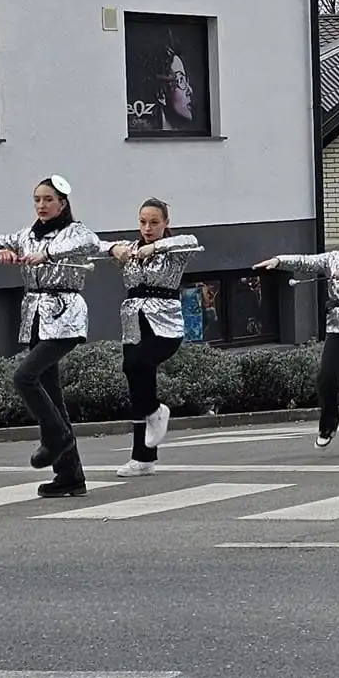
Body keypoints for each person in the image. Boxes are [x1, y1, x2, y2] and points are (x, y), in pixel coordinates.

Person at [0, 176, 100, 498]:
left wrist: (48, 255)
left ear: (63, 203)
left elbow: (90, 242)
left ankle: (56, 437)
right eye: (37, 200)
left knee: (24, 376)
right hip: (36, 318)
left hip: (66, 315)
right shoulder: (25, 235)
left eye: (48, 200)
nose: (41, 206)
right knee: (52, 395)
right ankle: (71, 476)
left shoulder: (75, 231)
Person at [259, 208, 339, 456]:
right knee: (326, 378)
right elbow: (306, 261)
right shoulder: (332, 258)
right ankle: (329, 425)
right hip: (338, 327)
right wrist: (279, 260)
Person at [97, 198, 201, 478]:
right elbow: (93, 245)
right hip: (133, 322)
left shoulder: (174, 250)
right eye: (143, 222)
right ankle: (143, 458)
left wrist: (155, 247)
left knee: (138, 365)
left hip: (165, 325)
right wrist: (113, 248)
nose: (147, 228)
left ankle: (157, 411)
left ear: (166, 223)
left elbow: (191, 241)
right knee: (137, 382)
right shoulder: (131, 248)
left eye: (154, 222)